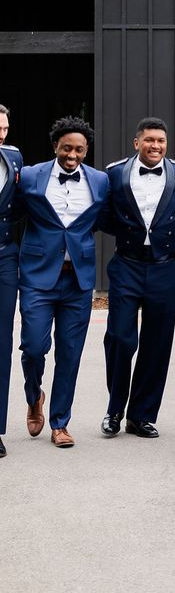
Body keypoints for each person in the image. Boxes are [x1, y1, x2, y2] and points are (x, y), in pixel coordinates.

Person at [99, 117, 175, 439]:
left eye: (161, 141)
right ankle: (114, 409)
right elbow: (104, 216)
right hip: (127, 263)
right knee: (120, 338)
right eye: (150, 140)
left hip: (164, 268)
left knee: (157, 344)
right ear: (136, 142)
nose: (156, 146)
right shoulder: (114, 173)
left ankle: (140, 416)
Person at [16, 117, 109, 448]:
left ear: (87, 150)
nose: (73, 154)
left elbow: (98, 220)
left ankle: (60, 423)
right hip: (38, 278)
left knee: (70, 353)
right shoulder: (29, 176)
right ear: (56, 146)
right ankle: (33, 394)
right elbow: (12, 212)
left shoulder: (99, 181)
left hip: (78, 281)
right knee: (34, 346)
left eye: (80, 149)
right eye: (67, 148)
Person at [0, 104, 22, 457]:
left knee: (2, 341)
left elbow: (19, 205)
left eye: (3, 128)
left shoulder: (14, 158)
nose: (0, 134)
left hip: (4, 255)